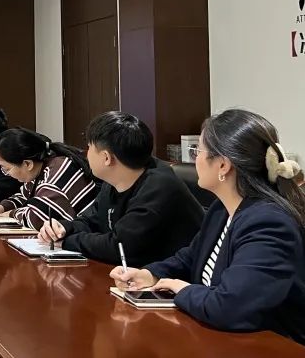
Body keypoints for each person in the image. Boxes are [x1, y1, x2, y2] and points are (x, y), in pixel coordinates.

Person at [111, 109, 305, 344]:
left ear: (223, 165)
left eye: (198, 151)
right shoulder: (221, 209)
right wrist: (150, 274)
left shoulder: (269, 223)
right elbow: (190, 257)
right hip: (219, 338)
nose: (195, 159)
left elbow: (230, 306)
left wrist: (182, 289)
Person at [39, 111, 203, 267]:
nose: (86, 154)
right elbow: (93, 221)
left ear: (106, 158)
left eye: (89, 148)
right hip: (135, 274)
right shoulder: (114, 180)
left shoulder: (159, 186)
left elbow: (120, 247)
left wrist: (67, 242)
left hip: (172, 279)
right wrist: (65, 228)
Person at [0, 128, 98, 229]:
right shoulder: (44, 165)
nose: (7, 174)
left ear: (28, 164)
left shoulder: (57, 171)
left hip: (90, 233)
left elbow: (36, 218)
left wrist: (11, 214)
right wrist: (2, 207)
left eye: (7, 169)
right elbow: (25, 197)